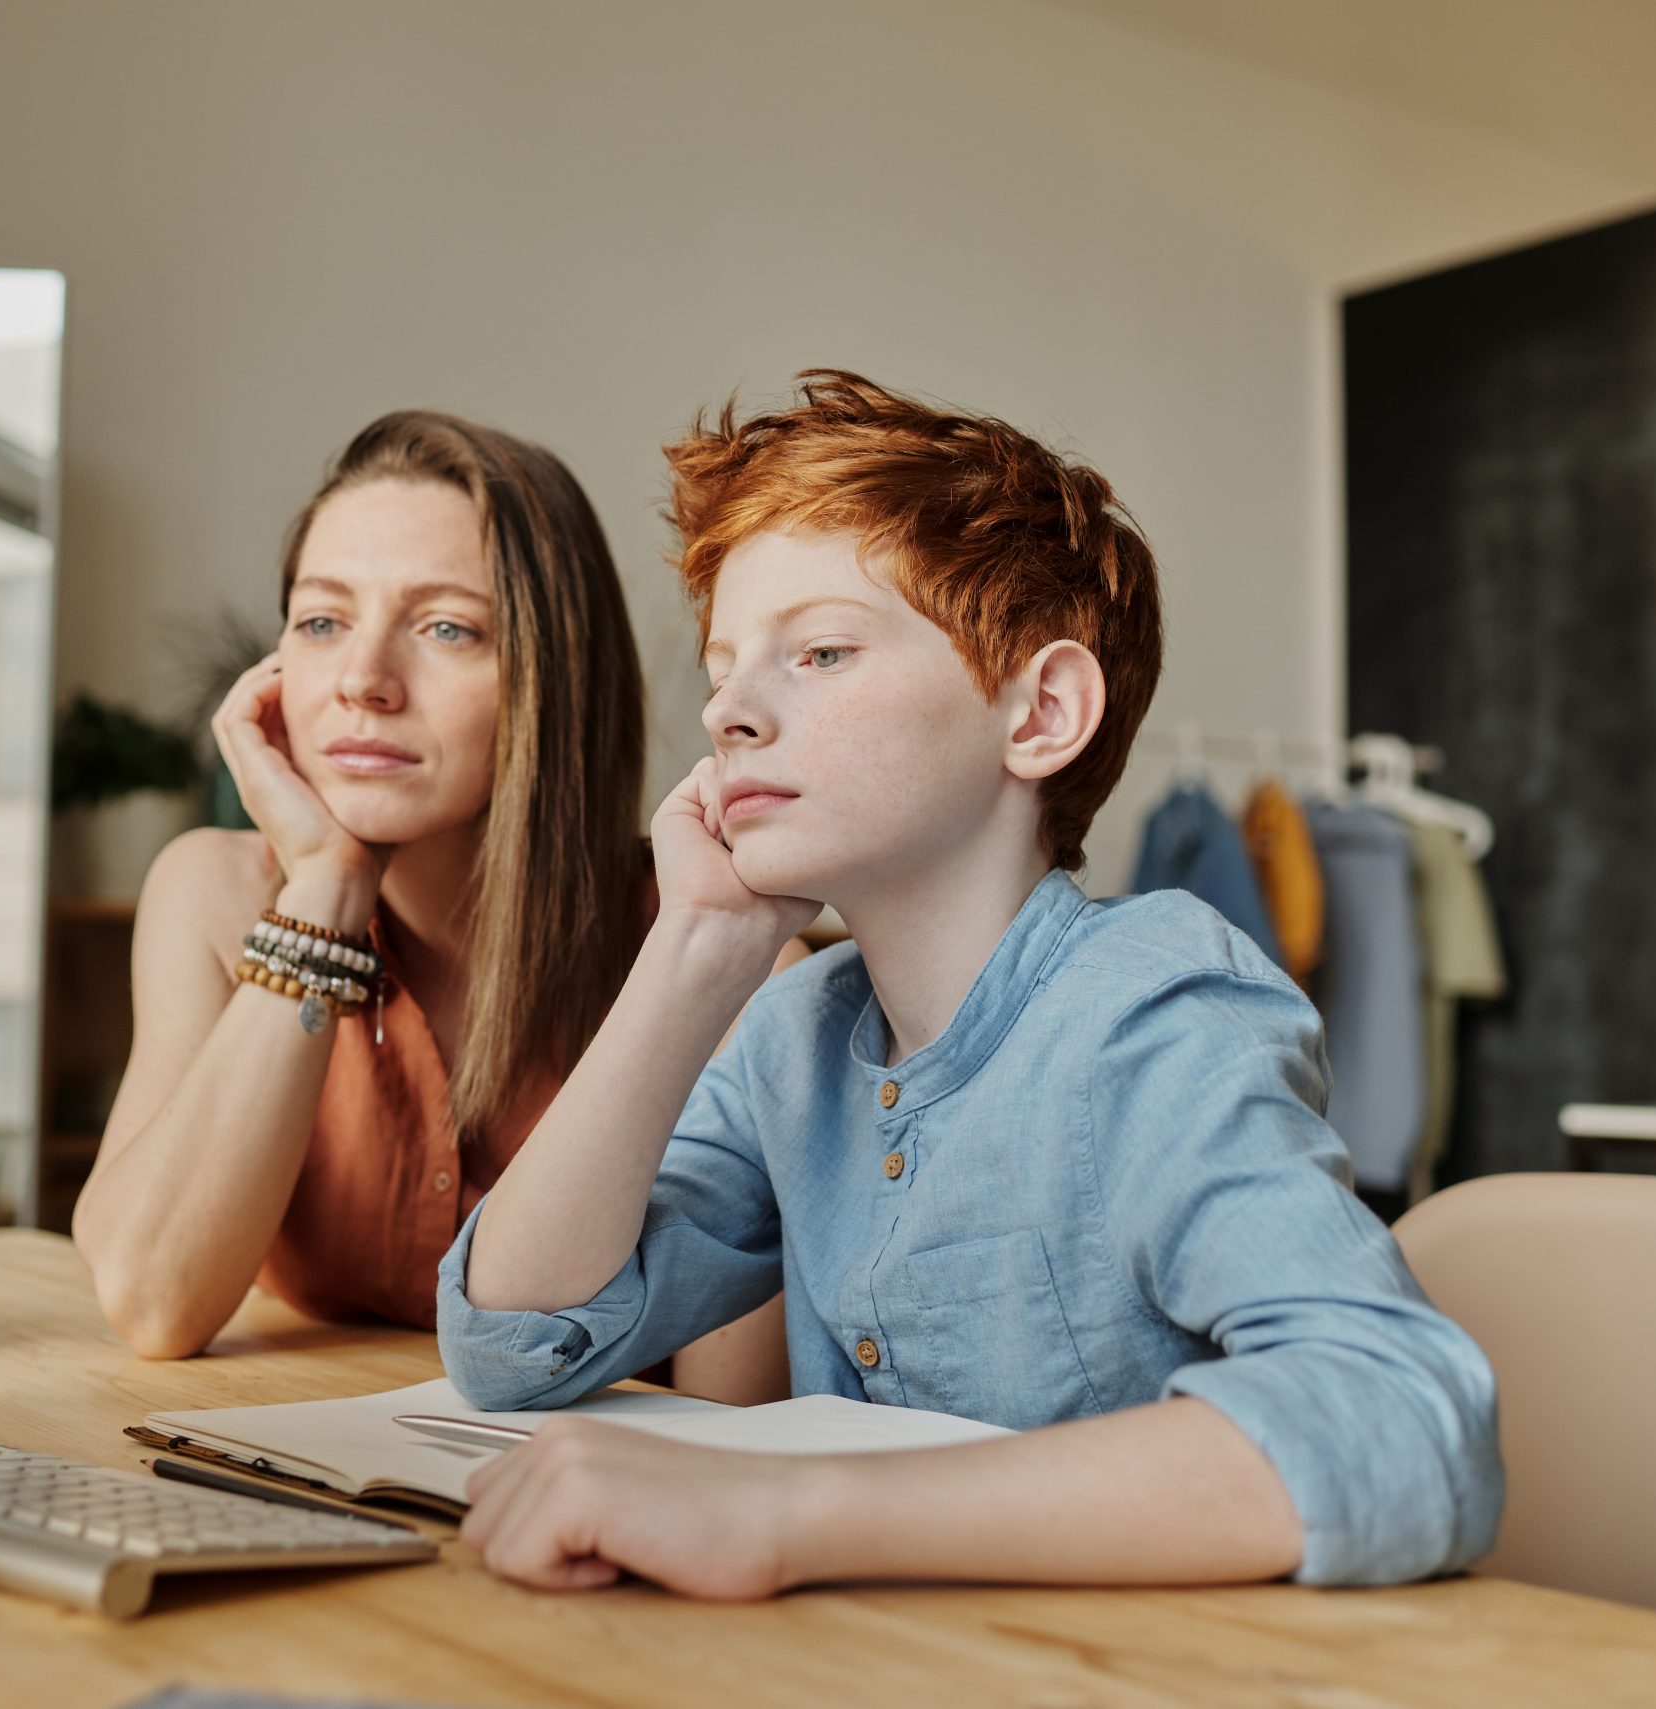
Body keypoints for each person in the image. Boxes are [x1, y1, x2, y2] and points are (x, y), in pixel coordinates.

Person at [438, 372, 1503, 1599]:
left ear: (1040, 712)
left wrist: (795, 1512)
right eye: (722, 666)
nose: (727, 709)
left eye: (821, 650)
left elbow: (1402, 1417)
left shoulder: (1152, 1008)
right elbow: (507, 1340)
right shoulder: (794, 1031)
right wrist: (695, 950)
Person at [73, 409, 790, 1400]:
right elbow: (154, 1300)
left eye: (446, 627)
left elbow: (729, 1419)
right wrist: (323, 888)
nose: (362, 681)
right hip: (277, 1461)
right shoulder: (215, 892)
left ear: (553, 674)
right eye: (322, 621)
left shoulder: (717, 954)